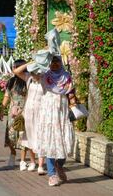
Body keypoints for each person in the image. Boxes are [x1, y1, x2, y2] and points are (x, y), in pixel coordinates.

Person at [35, 55, 75, 187]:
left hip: (62, 114)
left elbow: (71, 93)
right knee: (50, 142)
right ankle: (52, 175)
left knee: (64, 142)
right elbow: (32, 70)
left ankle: (59, 165)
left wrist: (74, 101)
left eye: (57, 61)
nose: (55, 64)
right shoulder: (45, 76)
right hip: (49, 114)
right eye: (52, 61)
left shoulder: (66, 76)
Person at [13, 63, 46, 175]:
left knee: (40, 136)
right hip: (28, 111)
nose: (36, 74)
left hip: (40, 112)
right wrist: (31, 62)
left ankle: (41, 164)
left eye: (37, 71)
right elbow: (17, 71)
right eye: (34, 71)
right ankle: (32, 162)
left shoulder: (45, 80)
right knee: (30, 136)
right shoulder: (29, 79)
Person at [0, 59, 30, 170]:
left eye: (15, 67)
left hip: (24, 110)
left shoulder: (28, 80)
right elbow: (7, 95)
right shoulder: (11, 81)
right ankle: (12, 154)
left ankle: (22, 161)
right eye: (13, 67)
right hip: (12, 111)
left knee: (23, 136)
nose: (14, 69)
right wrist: (2, 109)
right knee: (11, 136)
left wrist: (23, 109)